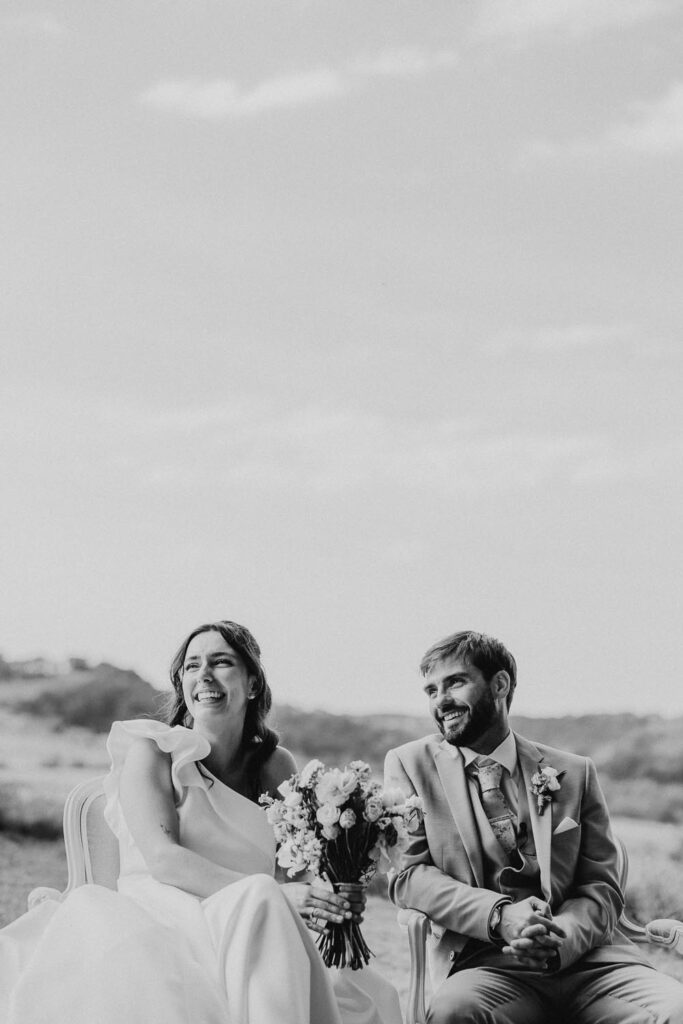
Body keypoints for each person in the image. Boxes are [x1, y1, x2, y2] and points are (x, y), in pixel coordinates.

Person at [0, 619, 401, 1024]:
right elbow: (163, 859)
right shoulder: (153, 750)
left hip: (258, 922)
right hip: (166, 912)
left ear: (253, 684)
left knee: (364, 992)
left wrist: (330, 892)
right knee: (261, 897)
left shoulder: (276, 765)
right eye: (191, 666)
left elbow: (289, 870)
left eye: (220, 661)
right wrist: (277, 896)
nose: (203, 675)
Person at [384, 629, 683, 1024]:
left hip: (594, 964)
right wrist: (499, 916)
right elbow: (409, 875)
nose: (441, 701)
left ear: (500, 684)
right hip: (487, 964)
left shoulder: (575, 773)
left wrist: (560, 939)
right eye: (431, 690)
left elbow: (601, 888)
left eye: (455, 682)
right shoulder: (410, 765)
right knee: (455, 1012)